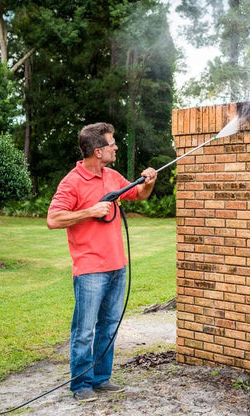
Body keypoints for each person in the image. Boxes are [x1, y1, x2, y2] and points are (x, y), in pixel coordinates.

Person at [47, 122, 157, 403]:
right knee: (84, 331)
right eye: (112, 143)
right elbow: (53, 219)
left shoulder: (113, 176)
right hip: (90, 271)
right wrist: (89, 211)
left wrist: (150, 182)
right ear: (98, 151)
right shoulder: (72, 182)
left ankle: (101, 378)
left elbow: (139, 195)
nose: (116, 147)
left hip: (117, 267)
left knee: (109, 326)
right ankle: (81, 384)